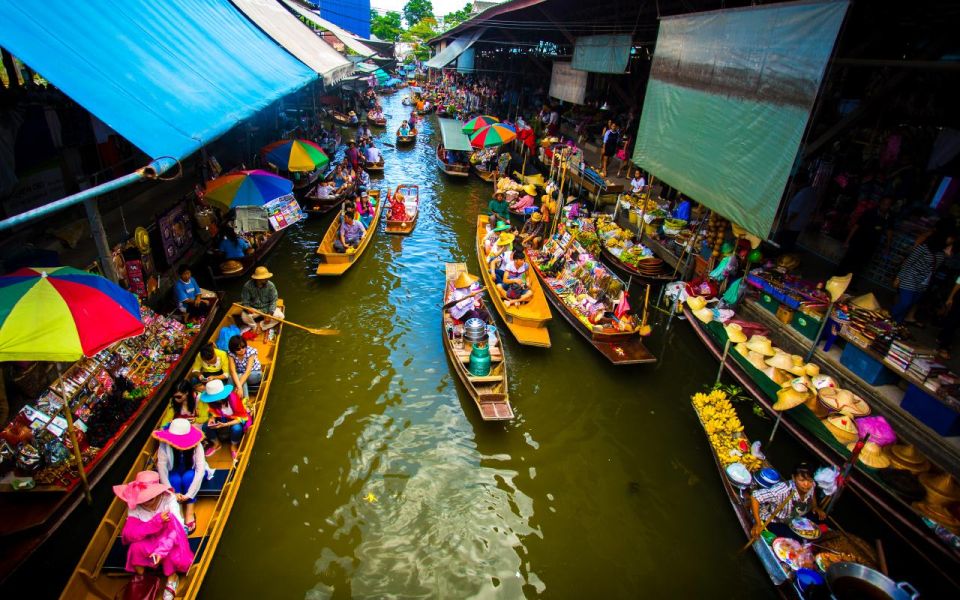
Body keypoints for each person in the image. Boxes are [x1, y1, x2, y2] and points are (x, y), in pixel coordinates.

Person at [113, 471, 193, 600]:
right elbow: (129, 534)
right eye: (141, 499)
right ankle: (141, 579)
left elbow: (175, 532)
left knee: (170, 554)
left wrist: (161, 551)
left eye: (148, 498)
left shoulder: (169, 499)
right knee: (135, 548)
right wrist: (155, 522)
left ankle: (172, 579)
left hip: (171, 538)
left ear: (157, 493)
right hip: (150, 538)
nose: (143, 502)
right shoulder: (135, 504)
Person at [153, 419, 209, 534]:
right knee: (174, 479)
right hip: (174, 473)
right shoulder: (164, 445)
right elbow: (162, 469)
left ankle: (189, 512)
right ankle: (178, 512)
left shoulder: (196, 445)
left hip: (191, 472)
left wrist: (189, 494)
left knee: (188, 477)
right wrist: (172, 492)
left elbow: (200, 470)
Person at [892, 226, 954, 323]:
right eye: (950, 238)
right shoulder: (924, 247)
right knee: (905, 303)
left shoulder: (942, 254)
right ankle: (887, 317)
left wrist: (948, 253)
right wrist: (898, 278)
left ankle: (895, 324)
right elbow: (909, 262)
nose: (951, 240)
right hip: (910, 277)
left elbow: (936, 269)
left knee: (909, 305)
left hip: (923, 283)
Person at [749, 463, 825, 541]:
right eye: (802, 480)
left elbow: (812, 492)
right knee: (791, 539)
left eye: (809, 480)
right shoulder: (782, 490)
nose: (806, 484)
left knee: (817, 521)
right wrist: (757, 523)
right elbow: (755, 496)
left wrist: (815, 506)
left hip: (792, 517)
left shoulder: (811, 485)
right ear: (793, 478)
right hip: (774, 520)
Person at [837, 196, 895, 276]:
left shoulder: (889, 217)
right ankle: (837, 277)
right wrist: (847, 240)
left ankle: (851, 283)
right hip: (859, 241)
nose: (885, 206)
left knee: (860, 265)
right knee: (848, 260)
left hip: (871, 245)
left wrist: (887, 247)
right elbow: (857, 226)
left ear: (890, 206)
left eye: (888, 204)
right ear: (879, 203)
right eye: (884, 204)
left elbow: (889, 232)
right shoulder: (870, 212)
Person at [199, 380, 250, 460]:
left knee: (237, 428)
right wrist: (212, 418)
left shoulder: (233, 398)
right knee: (206, 426)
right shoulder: (211, 402)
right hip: (222, 418)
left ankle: (233, 445)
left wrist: (225, 424)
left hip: (235, 419)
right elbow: (213, 412)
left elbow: (243, 418)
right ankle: (216, 443)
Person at [779, 173, 815, 252]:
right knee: (790, 242)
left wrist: (787, 223)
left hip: (793, 223)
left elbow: (795, 212)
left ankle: (781, 257)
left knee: (785, 243)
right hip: (800, 223)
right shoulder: (811, 191)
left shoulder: (802, 193)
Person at [240, 266, 284, 332]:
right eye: (264, 278)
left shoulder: (271, 286)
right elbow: (245, 301)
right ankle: (254, 326)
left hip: (267, 308)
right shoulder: (247, 286)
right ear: (258, 279)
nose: (267, 279)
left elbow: (273, 301)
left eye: (267, 277)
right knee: (244, 316)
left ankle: (261, 325)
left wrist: (269, 314)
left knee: (281, 316)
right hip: (254, 309)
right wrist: (247, 308)